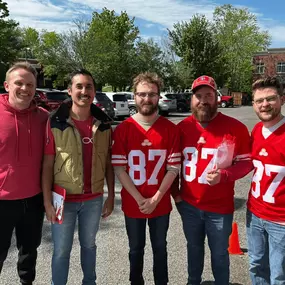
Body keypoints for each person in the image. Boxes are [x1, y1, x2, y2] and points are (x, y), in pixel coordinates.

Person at [172, 75, 253, 285]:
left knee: (219, 254)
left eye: (208, 95)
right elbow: (171, 167)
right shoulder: (180, 128)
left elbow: (246, 163)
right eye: (198, 96)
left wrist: (225, 175)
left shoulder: (235, 128)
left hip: (220, 207)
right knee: (194, 250)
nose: (203, 100)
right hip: (189, 205)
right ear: (191, 99)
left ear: (217, 98)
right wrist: (177, 195)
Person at [42, 69, 115, 285]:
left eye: (89, 87)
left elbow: (109, 163)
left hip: (93, 199)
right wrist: (47, 202)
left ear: (94, 91)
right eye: (79, 87)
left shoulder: (104, 124)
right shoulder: (55, 122)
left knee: (89, 246)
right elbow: (47, 165)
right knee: (61, 251)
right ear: (70, 90)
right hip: (63, 200)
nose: (84, 91)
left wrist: (111, 196)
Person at [111, 72, 181, 285]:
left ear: (159, 96)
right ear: (134, 96)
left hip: (159, 203)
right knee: (135, 249)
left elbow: (173, 168)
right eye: (142, 94)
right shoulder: (123, 129)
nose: (147, 99)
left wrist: (156, 199)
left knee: (160, 247)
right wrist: (141, 199)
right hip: (134, 202)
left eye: (152, 94)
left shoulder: (170, 129)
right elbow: (120, 169)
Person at [0, 62, 48, 285]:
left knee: (29, 255)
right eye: (19, 83)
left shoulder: (43, 118)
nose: (25, 89)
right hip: (2, 200)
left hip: (33, 200)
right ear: (7, 85)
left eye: (30, 84)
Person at [247, 77, 285, 285]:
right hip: (254, 214)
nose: (265, 104)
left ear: (281, 100)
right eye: (259, 100)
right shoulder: (256, 131)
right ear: (253, 104)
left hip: (281, 220)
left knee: (279, 275)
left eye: (270, 99)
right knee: (256, 265)